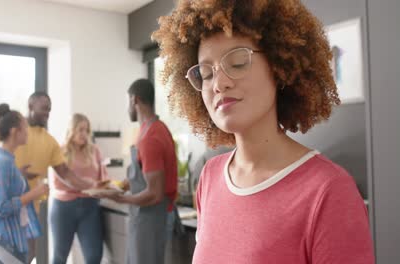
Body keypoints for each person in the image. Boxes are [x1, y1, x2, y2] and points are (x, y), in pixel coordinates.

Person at [152, 0, 375, 263]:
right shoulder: (210, 177)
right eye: (206, 73)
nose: (219, 83)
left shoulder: (329, 191)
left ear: (279, 67)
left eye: (237, 62)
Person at [0, 92, 98, 213]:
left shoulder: (50, 142)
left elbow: (65, 173)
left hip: (29, 214)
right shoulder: (8, 129)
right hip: (1, 213)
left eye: (49, 110)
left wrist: (93, 186)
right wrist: (14, 174)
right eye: (44, 109)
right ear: (30, 106)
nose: (47, 114)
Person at [102, 79, 178, 264]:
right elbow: (142, 175)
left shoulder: (151, 137)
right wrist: (119, 187)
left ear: (135, 100)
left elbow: (154, 193)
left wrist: (120, 198)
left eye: (127, 102)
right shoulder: (150, 129)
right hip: (142, 216)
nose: (127, 107)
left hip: (151, 218)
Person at [0, 103, 48, 263]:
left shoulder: (7, 162)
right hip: (5, 243)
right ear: (14, 132)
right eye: (25, 128)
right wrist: (33, 194)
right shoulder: (1, 163)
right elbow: (0, 209)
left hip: (12, 240)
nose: (28, 133)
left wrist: (18, 176)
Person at [50, 113, 107, 264]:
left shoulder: (94, 151)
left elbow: (103, 179)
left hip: (90, 207)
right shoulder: (60, 151)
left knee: (94, 256)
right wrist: (88, 184)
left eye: (87, 130)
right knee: (60, 257)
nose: (84, 134)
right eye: (80, 130)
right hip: (64, 207)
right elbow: (59, 181)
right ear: (72, 130)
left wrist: (109, 187)